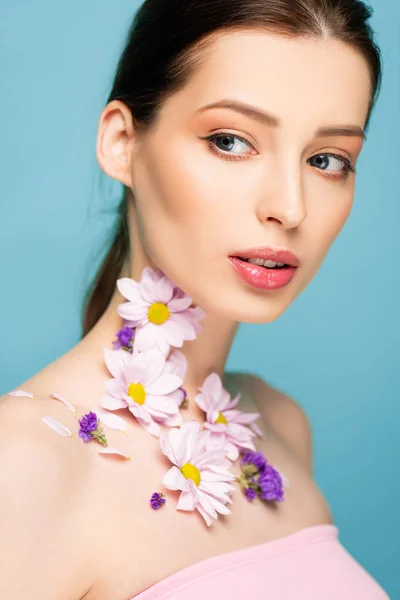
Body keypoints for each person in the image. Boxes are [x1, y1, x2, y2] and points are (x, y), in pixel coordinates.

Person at [0, 0, 390, 598]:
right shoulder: (22, 465)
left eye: (326, 159)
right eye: (231, 141)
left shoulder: (279, 428)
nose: (290, 207)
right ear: (122, 143)